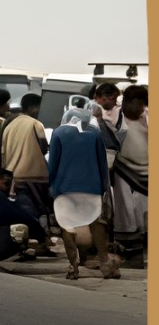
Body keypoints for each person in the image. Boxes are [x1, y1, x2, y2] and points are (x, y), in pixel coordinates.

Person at [48, 107, 119, 280]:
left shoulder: (58, 133)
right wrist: (103, 189)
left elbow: (53, 164)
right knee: (96, 224)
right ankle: (104, 264)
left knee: (68, 226)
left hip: (64, 188)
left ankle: (73, 267)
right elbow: (102, 164)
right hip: (92, 187)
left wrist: (52, 187)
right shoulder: (95, 134)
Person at [1, 92, 55, 253]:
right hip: (35, 174)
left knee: (21, 210)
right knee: (38, 210)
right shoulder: (35, 124)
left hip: (14, 175)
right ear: (33, 107)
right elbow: (44, 147)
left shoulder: (8, 124)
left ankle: (23, 241)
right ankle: (40, 241)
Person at [110, 85, 147, 265]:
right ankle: (133, 255)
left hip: (144, 174)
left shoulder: (147, 117)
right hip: (123, 172)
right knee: (126, 211)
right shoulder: (117, 116)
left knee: (141, 211)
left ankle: (138, 255)